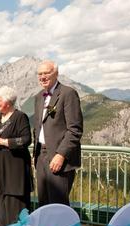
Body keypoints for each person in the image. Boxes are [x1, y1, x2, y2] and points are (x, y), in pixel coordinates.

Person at [33, 60, 83, 206]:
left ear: (56, 73)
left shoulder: (68, 93)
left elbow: (75, 130)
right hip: (41, 156)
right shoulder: (38, 97)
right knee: (43, 203)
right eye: (40, 74)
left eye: (46, 73)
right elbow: (38, 127)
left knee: (58, 205)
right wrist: (35, 154)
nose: (42, 77)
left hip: (59, 157)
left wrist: (61, 155)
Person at [0, 86, 32, 226]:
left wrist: (4, 142)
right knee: (0, 196)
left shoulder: (20, 117)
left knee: (15, 198)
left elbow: (26, 140)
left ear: (7, 101)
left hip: (15, 165)